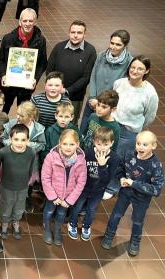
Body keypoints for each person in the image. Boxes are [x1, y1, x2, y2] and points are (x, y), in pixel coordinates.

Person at [101, 131, 164, 256]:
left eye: (145, 145)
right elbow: (120, 169)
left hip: (142, 199)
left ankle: (135, 241)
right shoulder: (129, 155)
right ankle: (109, 235)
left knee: (137, 220)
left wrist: (133, 183)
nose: (140, 147)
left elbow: (156, 189)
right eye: (138, 143)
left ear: (154, 146)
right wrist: (121, 179)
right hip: (125, 192)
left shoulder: (156, 165)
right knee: (116, 214)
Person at [104, 55, 158, 199]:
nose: (135, 71)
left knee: (120, 159)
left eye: (140, 68)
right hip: (112, 125)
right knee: (107, 154)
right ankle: (103, 180)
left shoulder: (150, 93)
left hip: (128, 132)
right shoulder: (119, 83)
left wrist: (136, 127)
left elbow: (150, 116)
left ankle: (112, 186)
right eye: (133, 67)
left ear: (146, 71)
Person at [68, 127, 120, 241]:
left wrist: (102, 166)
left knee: (91, 209)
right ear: (94, 142)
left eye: (105, 144)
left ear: (112, 143)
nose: (102, 147)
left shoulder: (114, 158)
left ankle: (87, 226)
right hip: (84, 187)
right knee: (77, 206)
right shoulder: (88, 153)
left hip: (98, 190)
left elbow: (108, 179)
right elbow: (79, 170)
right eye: (99, 144)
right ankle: (72, 223)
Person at [80, 30, 132, 132]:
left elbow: (121, 87)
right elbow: (93, 76)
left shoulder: (129, 62)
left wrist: (102, 103)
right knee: (83, 131)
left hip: (107, 106)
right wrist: (92, 98)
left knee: (101, 136)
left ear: (125, 45)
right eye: (112, 43)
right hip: (92, 102)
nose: (113, 47)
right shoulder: (101, 56)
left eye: (118, 44)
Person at [0, 8, 47, 113]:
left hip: (26, 85)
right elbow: (0, 60)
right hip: (9, 84)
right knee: (3, 111)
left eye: (30, 21)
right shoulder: (8, 38)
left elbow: (42, 63)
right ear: (19, 22)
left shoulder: (41, 41)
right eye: (24, 21)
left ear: (35, 22)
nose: (27, 24)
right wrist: (3, 75)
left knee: (23, 113)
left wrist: (35, 79)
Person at [41, 129, 87, 246]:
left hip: (67, 198)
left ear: (77, 145)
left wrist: (69, 200)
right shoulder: (51, 157)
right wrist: (53, 196)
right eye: (65, 144)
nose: (68, 147)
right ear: (59, 143)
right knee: (49, 211)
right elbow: (45, 178)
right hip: (53, 196)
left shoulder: (81, 161)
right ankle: (46, 228)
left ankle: (57, 230)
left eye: (72, 144)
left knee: (61, 214)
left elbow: (81, 182)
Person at [46, 20, 97, 123]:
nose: (75, 35)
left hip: (74, 98)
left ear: (84, 34)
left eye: (79, 33)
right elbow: (49, 70)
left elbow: (86, 77)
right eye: (73, 32)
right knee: (52, 121)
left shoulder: (90, 51)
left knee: (69, 124)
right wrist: (55, 87)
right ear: (69, 32)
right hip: (54, 94)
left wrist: (67, 90)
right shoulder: (59, 47)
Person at [0, 124, 39, 239]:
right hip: (6, 186)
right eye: (16, 139)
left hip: (23, 186)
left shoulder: (31, 152)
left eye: (23, 140)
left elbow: (32, 168)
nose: (19, 143)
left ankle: (16, 222)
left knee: (19, 205)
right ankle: (4, 223)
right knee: (6, 205)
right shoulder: (3, 152)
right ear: (10, 139)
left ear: (28, 140)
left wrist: (30, 180)